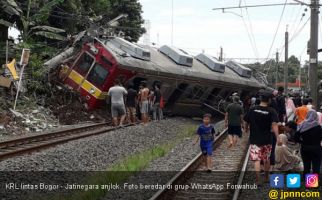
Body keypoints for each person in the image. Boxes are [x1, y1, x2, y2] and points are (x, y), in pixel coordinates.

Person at [244, 92, 280, 185]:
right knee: (266, 159)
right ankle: (267, 178)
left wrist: (246, 129)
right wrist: (278, 137)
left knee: (257, 160)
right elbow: (274, 125)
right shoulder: (272, 111)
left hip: (255, 139)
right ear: (269, 100)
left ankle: (258, 180)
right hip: (267, 139)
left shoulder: (252, 109)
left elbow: (246, 121)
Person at [294, 110, 322, 175]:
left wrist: (302, 142)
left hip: (305, 148)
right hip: (316, 148)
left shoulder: (302, 125)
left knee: (306, 166)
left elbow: (296, 138)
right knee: (316, 166)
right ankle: (313, 183)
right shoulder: (319, 127)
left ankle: (305, 181)